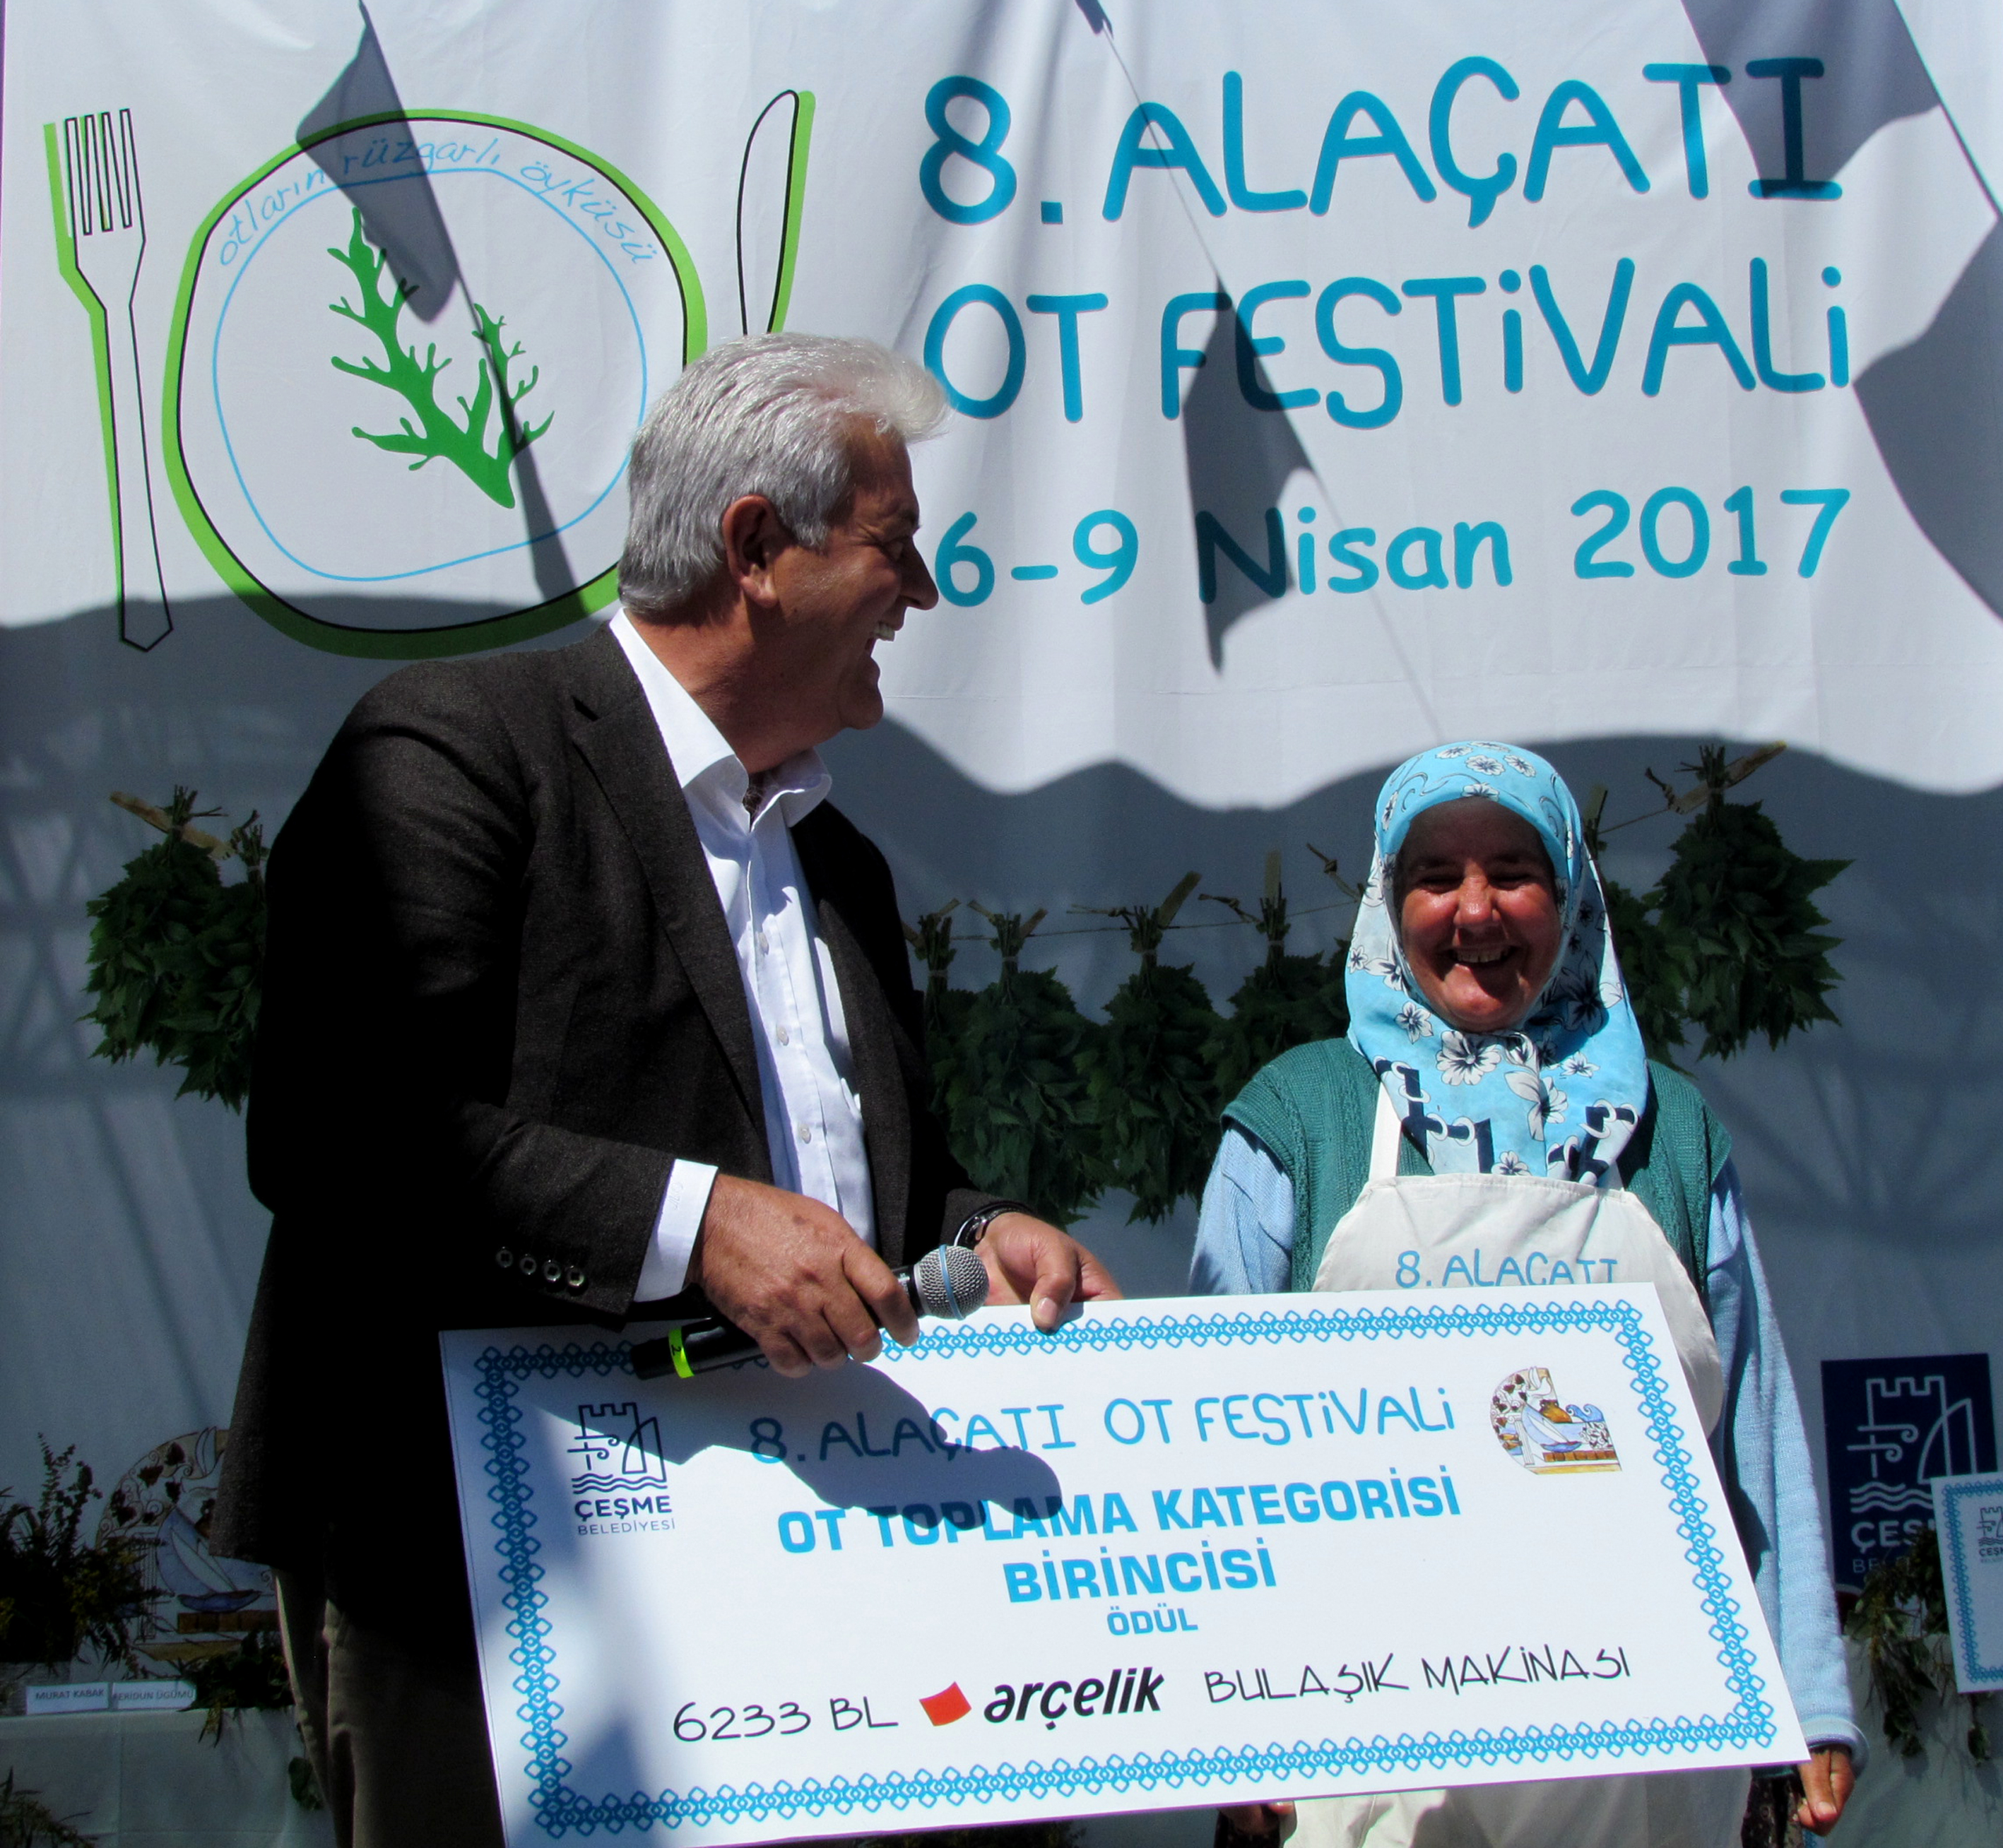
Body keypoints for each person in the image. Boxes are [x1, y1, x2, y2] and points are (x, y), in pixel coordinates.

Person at [211, 333, 1116, 1847]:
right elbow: (338, 1127)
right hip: (480, 1566)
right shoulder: (459, 750)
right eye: (894, 545)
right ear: (756, 548)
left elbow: (866, 1186)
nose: (923, 589)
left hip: (786, 1552)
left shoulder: (836, 862)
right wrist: (694, 1226)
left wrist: (984, 1229)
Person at [1194, 742, 1859, 1848]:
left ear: (1572, 895)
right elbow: (1215, 1441)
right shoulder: (1302, 1118)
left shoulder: (1670, 1130)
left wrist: (1810, 1692)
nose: (1476, 911)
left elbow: (1752, 1424)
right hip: (1368, 1737)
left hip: (1647, 1734)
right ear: (1388, 902)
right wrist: (1227, 1700)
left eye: (1513, 872)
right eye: (1435, 878)